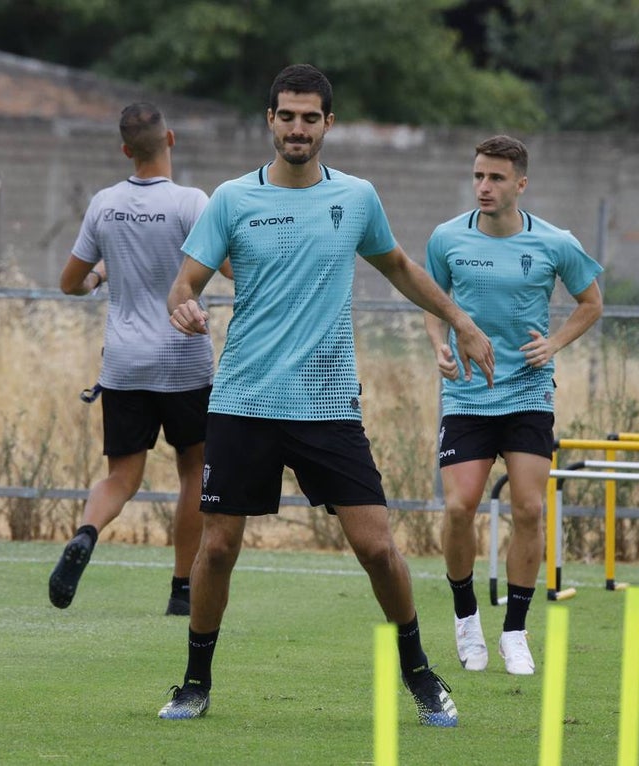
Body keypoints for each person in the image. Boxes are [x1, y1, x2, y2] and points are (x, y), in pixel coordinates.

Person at [158, 63, 495, 726]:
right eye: (286, 116)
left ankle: (421, 675)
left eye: (310, 117)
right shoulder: (231, 199)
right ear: (270, 121)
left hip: (327, 403)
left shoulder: (357, 198)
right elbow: (183, 284)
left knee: (377, 547)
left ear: (328, 124)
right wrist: (185, 307)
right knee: (218, 548)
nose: (297, 128)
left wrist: (461, 320)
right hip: (243, 400)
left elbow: (397, 265)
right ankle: (194, 683)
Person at [423, 135, 603, 675]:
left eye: (496, 178)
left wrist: (554, 343)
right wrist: (439, 345)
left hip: (527, 393)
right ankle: (465, 619)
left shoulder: (556, 242)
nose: (484, 186)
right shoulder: (446, 237)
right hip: (467, 395)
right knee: (460, 507)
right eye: (479, 175)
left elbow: (591, 303)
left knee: (528, 509)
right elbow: (433, 301)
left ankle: (516, 631)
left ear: (520, 184)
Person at [47, 102, 229, 616]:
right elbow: (233, 268)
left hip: (125, 364)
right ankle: (181, 589)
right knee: (194, 471)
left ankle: (85, 533)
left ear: (125, 150)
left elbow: (69, 283)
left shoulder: (105, 204)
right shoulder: (193, 202)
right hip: (185, 358)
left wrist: (101, 275)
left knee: (121, 478)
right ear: (169, 139)